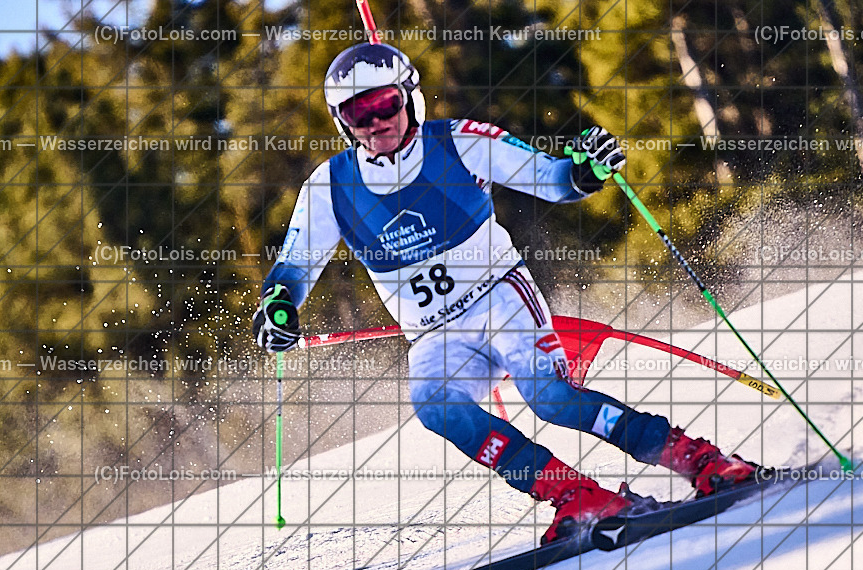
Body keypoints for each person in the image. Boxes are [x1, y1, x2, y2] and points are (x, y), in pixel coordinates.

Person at [252, 43, 761, 544]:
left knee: (552, 398)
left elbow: (551, 178)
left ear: (409, 97)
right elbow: (293, 268)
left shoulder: (459, 141)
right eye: (358, 113)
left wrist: (585, 171)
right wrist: (277, 308)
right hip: (435, 334)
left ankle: (699, 458)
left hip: (499, 298)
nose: (377, 121)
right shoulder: (330, 187)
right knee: (436, 406)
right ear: (342, 122)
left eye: (386, 103)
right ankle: (576, 496)